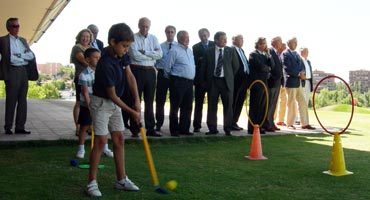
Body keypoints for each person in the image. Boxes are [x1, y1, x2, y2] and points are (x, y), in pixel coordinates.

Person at [86, 23, 141, 197]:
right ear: (112, 42)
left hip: (114, 103)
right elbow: (112, 95)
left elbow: (130, 76)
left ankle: (121, 179)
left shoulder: (121, 55)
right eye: (124, 46)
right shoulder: (105, 64)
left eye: (128, 46)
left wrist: (137, 100)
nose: (126, 50)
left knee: (119, 139)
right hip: (101, 103)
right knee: (101, 142)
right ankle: (91, 183)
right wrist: (132, 112)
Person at [75, 48, 113, 159]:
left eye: (99, 57)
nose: (98, 59)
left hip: (101, 103)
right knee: (84, 126)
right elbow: (85, 93)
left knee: (103, 126)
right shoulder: (83, 75)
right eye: (95, 57)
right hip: (87, 105)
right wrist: (90, 108)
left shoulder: (103, 72)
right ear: (87, 60)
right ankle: (81, 149)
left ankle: (105, 148)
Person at [0, 17, 36, 135]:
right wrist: (21, 55)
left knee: (22, 100)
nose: (17, 28)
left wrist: (18, 55)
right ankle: (8, 127)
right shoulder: (3, 40)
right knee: (11, 100)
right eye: (14, 26)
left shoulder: (23, 40)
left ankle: (20, 126)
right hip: (11, 71)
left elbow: (30, 55)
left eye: (18, 26)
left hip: (23, 71)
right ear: (8, 28)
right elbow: (10, 57)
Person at [128, 17, 162, 137]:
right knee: (135, 100)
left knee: (149, 100)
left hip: (150, 72)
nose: (144, 28)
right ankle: (135, 128)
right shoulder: (133, 38)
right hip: (136, 70)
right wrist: (152, 55)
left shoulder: (154, 38)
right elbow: (135, 55)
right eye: (142, 26)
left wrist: (145, 52)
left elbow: (160, 55)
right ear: (138, 25)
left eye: (147, 26)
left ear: (150, 26)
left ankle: (150, 128)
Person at [201, 31, 239, 136]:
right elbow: (204, 67)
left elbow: (235, 67)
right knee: (212, 106)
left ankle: (227, 129)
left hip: (226, 82)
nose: (225, 41)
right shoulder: (209, 51)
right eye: (223, 39)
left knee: (228, 106)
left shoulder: (230, 51)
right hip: (213, 81)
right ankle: (212, 128)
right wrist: (204, 81)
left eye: (226, 39)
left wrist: (228, 76)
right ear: (216, 40)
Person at [163, 30, 195, 136]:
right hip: (178, 81)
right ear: (179, 38)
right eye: (185, 37)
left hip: (189, 82)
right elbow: (167, 67)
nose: (187, 39)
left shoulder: (189, 51)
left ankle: (184, 129)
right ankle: (174, 130)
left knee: (187, 107)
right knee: (175, 107)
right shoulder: (174, 50)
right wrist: (173, 79)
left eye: (188, 37)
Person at [282, 37, 314, 130]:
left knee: (303, 101)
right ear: (289, 43)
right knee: (291, 102)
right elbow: (287, 67)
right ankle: (290, 123)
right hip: (291, 81)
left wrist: (302, 72)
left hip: (298, 81)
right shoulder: (285, 54)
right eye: (294, 42)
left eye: (296, 42)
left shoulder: (296, 54)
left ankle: (305, 123)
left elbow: (301, 66)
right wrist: (298, 73)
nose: (296, 44)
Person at [248, 37, 275, 134]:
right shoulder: (253, 54)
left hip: (265, 82)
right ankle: (252, 127)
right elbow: (260, 66)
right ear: (258, 44)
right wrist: (267, 68)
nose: (264, 45)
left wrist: (269, 56)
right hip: (257, 83)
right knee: (255, 105)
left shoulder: (265, 56)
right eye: (263, 43)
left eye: (265, 43)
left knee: (263, 106)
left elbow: (272, 66)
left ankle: (259, 126)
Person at [70, 29, 93, 135]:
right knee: (80, 102)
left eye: (88, 36)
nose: (85, 38)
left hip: (92, 78)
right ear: (79, 37)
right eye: (83, 36)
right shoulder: (77, 48)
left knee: (91, 102)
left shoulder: (92, 48)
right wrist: (93, 64)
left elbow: (97, 59)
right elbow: (83, 59)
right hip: (80, 78)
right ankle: (78, 127)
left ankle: (88, 126)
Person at [192, 28, 215, 133]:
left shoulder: (214, 44)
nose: (203, 37)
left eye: (205, 35)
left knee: (212, 104)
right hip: (199, 79)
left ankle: (212, 126)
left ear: (208, 35)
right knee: (198, 104)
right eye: (201, 35)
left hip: (212, 80)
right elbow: (196, 60)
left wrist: (204, 59)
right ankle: (197, 125)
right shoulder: (195, 47)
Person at [155, 25, 177, 132]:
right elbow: (155, 61)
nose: (170, 34)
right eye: (168, 32)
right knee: (160, 100)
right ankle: (158, 123)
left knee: (175, 100)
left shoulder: (178, 46)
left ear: (175, 33)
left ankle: (173, 125)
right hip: (162, 74)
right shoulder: (160, 46)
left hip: (175, 75)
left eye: (172, 32)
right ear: (165, 33)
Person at [231, 34, 250, 131]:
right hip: (236, 80)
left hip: (244, 79)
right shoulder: (231, 49)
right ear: (233, 40)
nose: (242, 41)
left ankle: (234, 121)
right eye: (240, 39)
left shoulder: (241, 50)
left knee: (240, 101)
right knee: (234, 100)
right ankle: (230, 122)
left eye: (243, 39)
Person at [264, 36, 283, 132]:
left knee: (274, 104)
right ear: (273, 42)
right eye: (279, 41)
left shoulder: (277, 53)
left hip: (278, 82)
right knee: (269, 103)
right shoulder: (270, 51)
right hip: (272, 82)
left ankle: (271, 122)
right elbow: (269, 65)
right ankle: (267, 123)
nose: (281, 43)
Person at [276, 43, 287, 126]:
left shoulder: (284, 57)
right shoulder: (275, 55)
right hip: (276, 81)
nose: (285, 48)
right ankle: (272, 119)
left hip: (284, 82)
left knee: (284, 101)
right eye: (283, 47)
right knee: (275, 102)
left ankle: (281, 120)